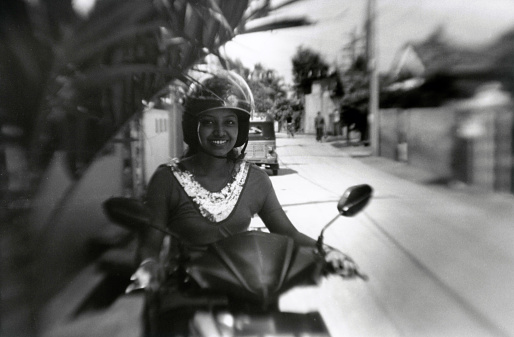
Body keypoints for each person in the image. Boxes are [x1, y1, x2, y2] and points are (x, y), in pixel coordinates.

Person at [131, 70, 360, 290]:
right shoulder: (167, 179)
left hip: (243, 292)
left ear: (240, 128)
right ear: (193, 127)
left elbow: (289, 234)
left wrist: (329, 252)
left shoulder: (255, 180)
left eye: (229, 122)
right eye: (209, 122)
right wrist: (148, 266)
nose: (220, 131)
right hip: (184, 294)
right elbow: (150, 246)